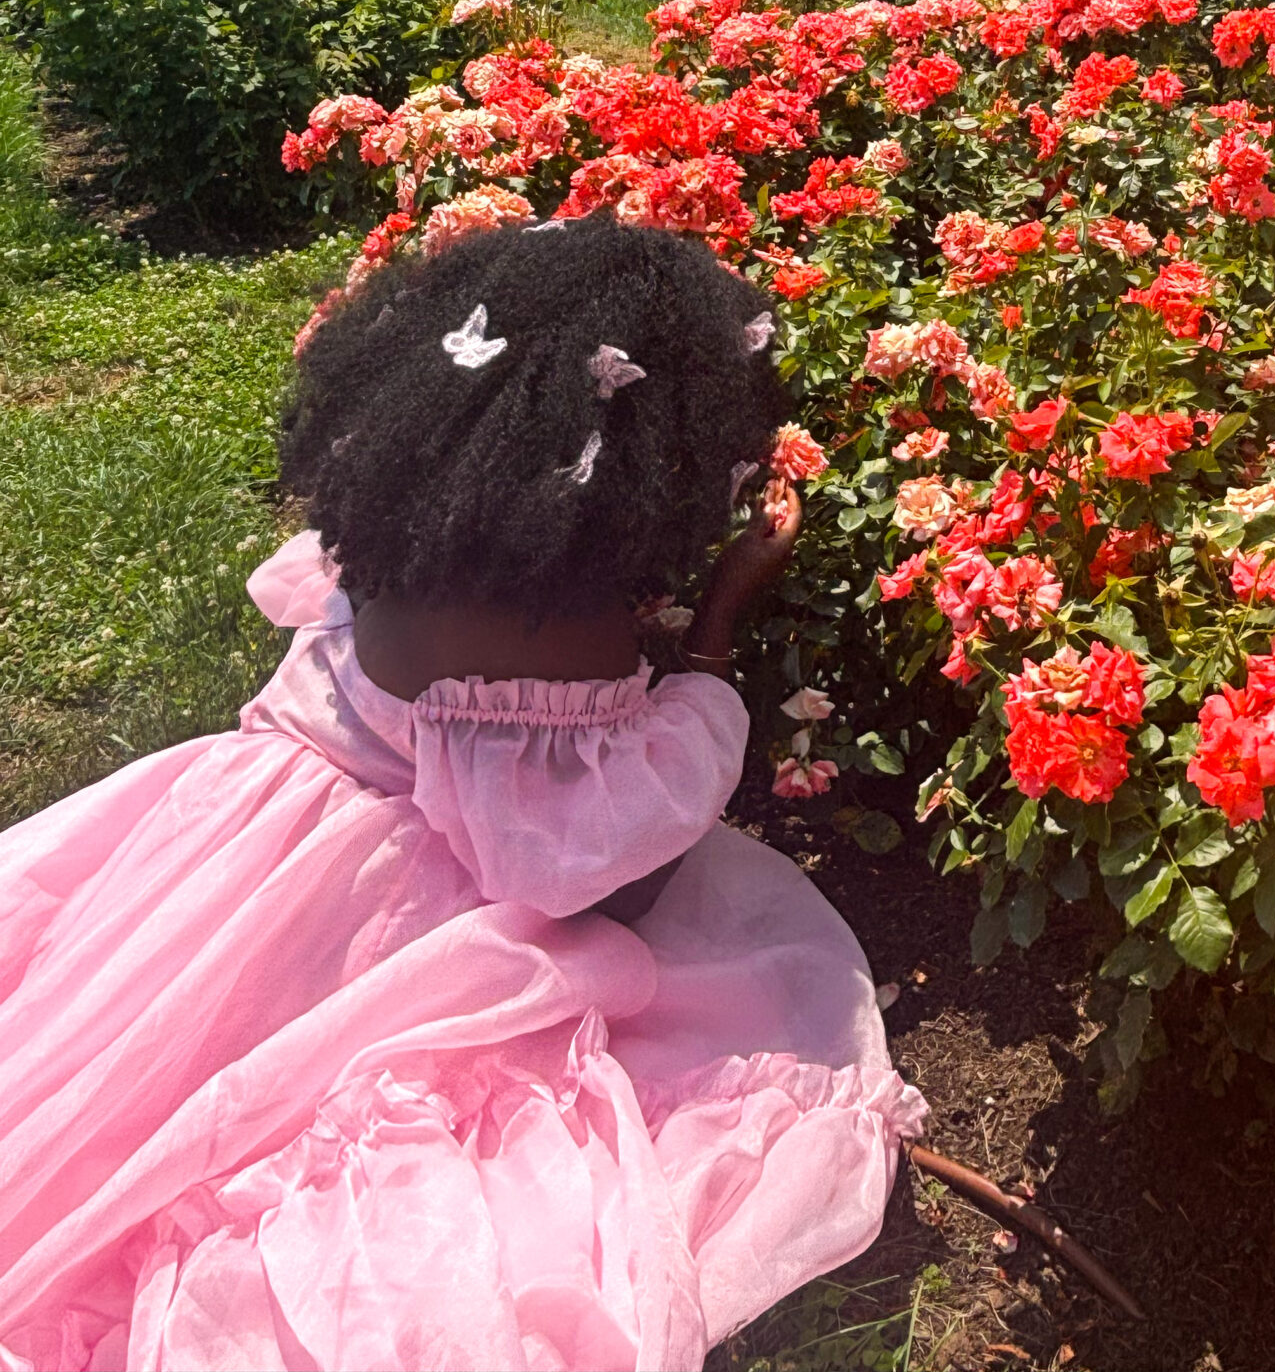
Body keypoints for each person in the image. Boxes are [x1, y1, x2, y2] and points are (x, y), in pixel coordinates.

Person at [0, 215, 926, 1372]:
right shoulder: (568, 648)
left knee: (96, 1071)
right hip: (417, 924)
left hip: (241, 862)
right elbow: (606, 878)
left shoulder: (380, 552)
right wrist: (714, 631)